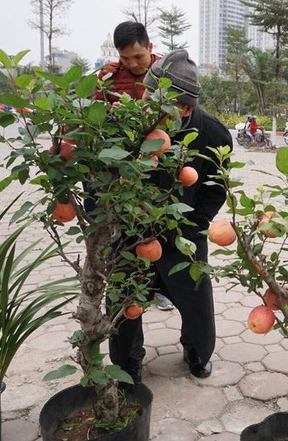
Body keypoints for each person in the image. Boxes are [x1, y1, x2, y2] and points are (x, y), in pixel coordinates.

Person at [109, 49, 232, 381]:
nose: (149, 109)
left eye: (161, 107)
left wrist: (196, 224)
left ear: (186, 109)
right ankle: (127, 360)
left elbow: (216, 187)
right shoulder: (130, 125)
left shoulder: (214, 135)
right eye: (148, 97)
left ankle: (197, 350)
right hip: (133, 228)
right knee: (124, 297)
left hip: (184, 232)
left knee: (195, 298)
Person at [94, 21, 173, 310]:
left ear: (150, 47)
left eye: (138, 56)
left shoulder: (167, 73)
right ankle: (136, 289)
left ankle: (161, 288)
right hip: (125, 170)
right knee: (129, 232)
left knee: (159, 227)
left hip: (162, 164)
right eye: (125, 58)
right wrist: (111, 114)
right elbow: (95, 119)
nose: (133, 64)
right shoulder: (108, 77)